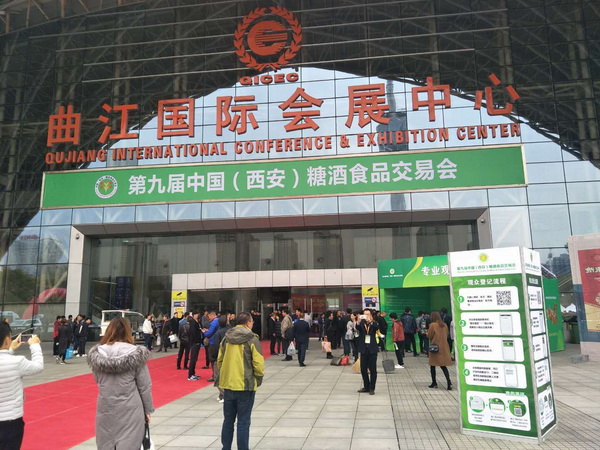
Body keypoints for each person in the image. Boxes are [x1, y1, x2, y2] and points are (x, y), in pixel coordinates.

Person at [88, 317, 154, 450]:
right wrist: (147, 410)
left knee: (106, 442)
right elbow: (144, 386)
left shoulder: (97, 354)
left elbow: (98, 379)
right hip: (130, 407)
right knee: (130, 442)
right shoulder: (136, 354)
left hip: (106, 406)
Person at [217, 312, 264, 450]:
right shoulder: (252, 339)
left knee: (228, 420)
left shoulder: (226, 338)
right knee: (243, 421)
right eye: (252, 322)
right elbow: (258, 363)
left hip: (228, 385)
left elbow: (220, 361)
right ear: (248, 323)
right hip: (245, 385)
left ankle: (226, 447)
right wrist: (258, 378)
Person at [0, 323, 44, 449]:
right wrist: (35, 345)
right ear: (7, 340)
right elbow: (38, 366)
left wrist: (9, 349)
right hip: (10, 422)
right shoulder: (17, 362)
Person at [427, 311, 453, 390]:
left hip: (435, 348)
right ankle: (449, 382)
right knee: (443, 366)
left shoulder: (432, 325)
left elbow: (429, 335)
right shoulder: (444, 325)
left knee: (432, 366)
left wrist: (426, 334)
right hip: (444, 347)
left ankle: (434, 382)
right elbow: (447, 334)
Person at [356, 309, 379, 395]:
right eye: (364, 314)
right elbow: (357, 328)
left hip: (372, 349)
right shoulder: (361, 323)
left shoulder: (374, 323)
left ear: (371, 315)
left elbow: (376, 328)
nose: (366, 316)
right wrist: (358, 321)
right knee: (363, 369)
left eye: (368, 314)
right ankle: (366, 386)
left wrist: (371, 322)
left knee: (373, 369)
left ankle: (372, 388)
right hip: (363, 349)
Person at [211, 315, 232, 403]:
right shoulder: (231, 330)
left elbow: (216, 347)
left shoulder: (218, 333)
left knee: (217, 376)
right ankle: (221, 395)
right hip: (230, 356)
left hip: (220, 356)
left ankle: (224, 394)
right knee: (226, 375)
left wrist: (213, 357)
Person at [203, 311, 219, 382]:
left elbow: (209, 334)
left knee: (213, 359)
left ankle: (215, 375)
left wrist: (205, 332)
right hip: (218, 342)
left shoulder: (213, 322)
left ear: (211, 315)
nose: (208, 318)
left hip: (213, 342)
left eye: (209, 316)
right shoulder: (218, 321)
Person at [187, 311, 203, 381]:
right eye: (196, 314)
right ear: (193, 315)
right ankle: (190, 375)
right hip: (194, 342)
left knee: (195, 358)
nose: (197, 315)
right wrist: (197, 341)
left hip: (197, 342)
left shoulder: (197, 322)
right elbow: (193, 333)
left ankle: (193, 373)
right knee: (193, 359)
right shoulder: (193, 323)